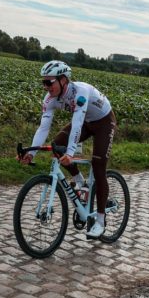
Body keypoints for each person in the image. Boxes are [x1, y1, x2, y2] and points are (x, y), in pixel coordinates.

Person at [18, 60, 116, 239]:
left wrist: (70, 153)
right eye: (43, 82)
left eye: (50, 82)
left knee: (98, 165)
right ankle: (81, 182)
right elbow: (43, 128)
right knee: (57, 146)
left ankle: (100, 222)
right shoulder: (49, 99)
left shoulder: (80, 92)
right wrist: (31, 152)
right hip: (87, 122)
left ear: (63, 80)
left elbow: (77, 123)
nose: (46, 86)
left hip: (103, 122)